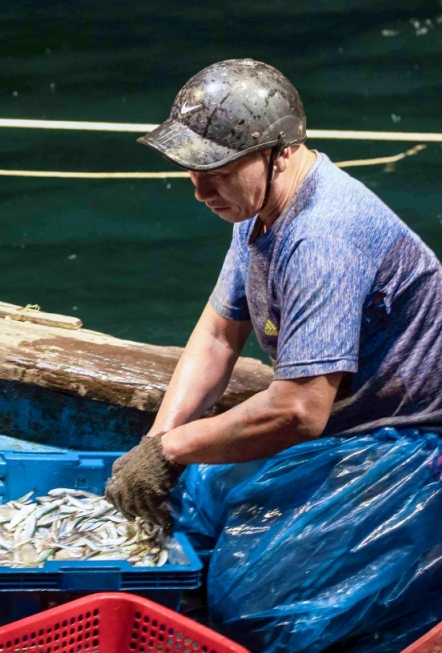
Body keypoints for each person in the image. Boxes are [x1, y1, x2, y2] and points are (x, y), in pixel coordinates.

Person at [105, 59, 442, 651]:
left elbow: (298, 412)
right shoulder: (258, 209)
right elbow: (217, 335)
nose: (200, 191)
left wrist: (173, 450)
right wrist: (156, 444)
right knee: (190, 505)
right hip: (345, 420)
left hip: (410, 445)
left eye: (216, 171)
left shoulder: (322, 238)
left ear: (279, 153)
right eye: (192, 171)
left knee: (256, 605)